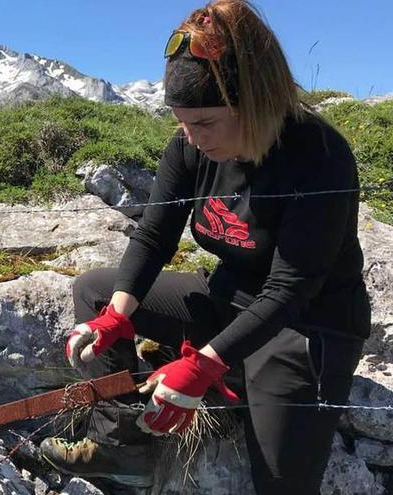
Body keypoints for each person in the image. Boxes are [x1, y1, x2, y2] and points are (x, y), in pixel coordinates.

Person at [39, 1, 372, 493]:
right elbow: (154, 235)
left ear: (256, 103)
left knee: (282, 481)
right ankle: (122, 448)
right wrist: (118, 314)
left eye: (207, 123)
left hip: (306, 325)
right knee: (96, 290)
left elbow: (289, 287)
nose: (192, 138)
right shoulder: (189, 145)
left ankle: (233, 376)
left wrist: (203, 364)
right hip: (229, 299)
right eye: (183, 122)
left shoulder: (318, 156)